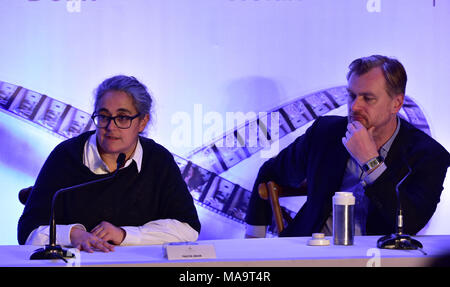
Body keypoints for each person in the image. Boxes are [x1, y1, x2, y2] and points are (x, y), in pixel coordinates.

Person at [245, 55, 450, 238]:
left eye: (368, 98)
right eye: (351, 95)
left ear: (396, 104)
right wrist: (254, 238)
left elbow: (409, 224)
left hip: (380, 257)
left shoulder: (429, 155)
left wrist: (371, 162)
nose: (354, 106)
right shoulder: (325, 133)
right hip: (314, 253)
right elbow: (269, 172)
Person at [18, 75, 201, 252]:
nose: (110, 127)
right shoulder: (66, 156)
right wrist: (71, 234)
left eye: (122, 117)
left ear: (142, 122)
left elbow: (188, 228)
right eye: (104, 116)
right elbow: (28, 231)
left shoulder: (158, 159)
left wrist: (124, 235)